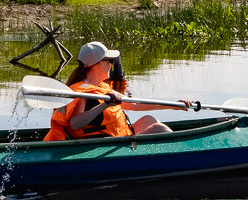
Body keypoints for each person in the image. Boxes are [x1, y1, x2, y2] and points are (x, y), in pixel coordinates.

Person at [43, 41, 193, 141]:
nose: (112, 65)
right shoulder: (82, 92)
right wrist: (104, 105)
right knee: (159, 128)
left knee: (150, 120)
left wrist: (173, 105)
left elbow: (133, 105)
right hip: (97, 144)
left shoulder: (103, 87)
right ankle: (181, 156)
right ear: (100, 64)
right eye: (110, 62)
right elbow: (75, 123)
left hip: (114, 137)